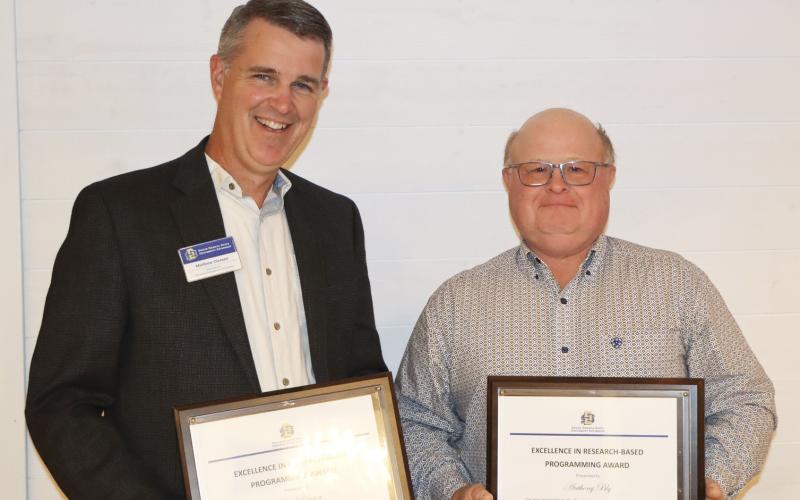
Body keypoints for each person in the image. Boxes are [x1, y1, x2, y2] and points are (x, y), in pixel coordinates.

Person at [25, 1, 386, 498]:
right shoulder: (120, 214)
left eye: (302, 84)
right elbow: (61, 404)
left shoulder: (335, 221)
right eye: (264, 76)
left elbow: (362, 379)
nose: (282, 104)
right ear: (219, 76)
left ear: (322, 94)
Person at [395, 108, 775, 500]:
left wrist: (710, 481)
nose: (557, 185)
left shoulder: (677, 284)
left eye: (577, 169)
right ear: (509, 180)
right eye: (536, 170)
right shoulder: (455, 304)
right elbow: (415, 423)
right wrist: (454, 491)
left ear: (609, 177)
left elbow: (745, 398)